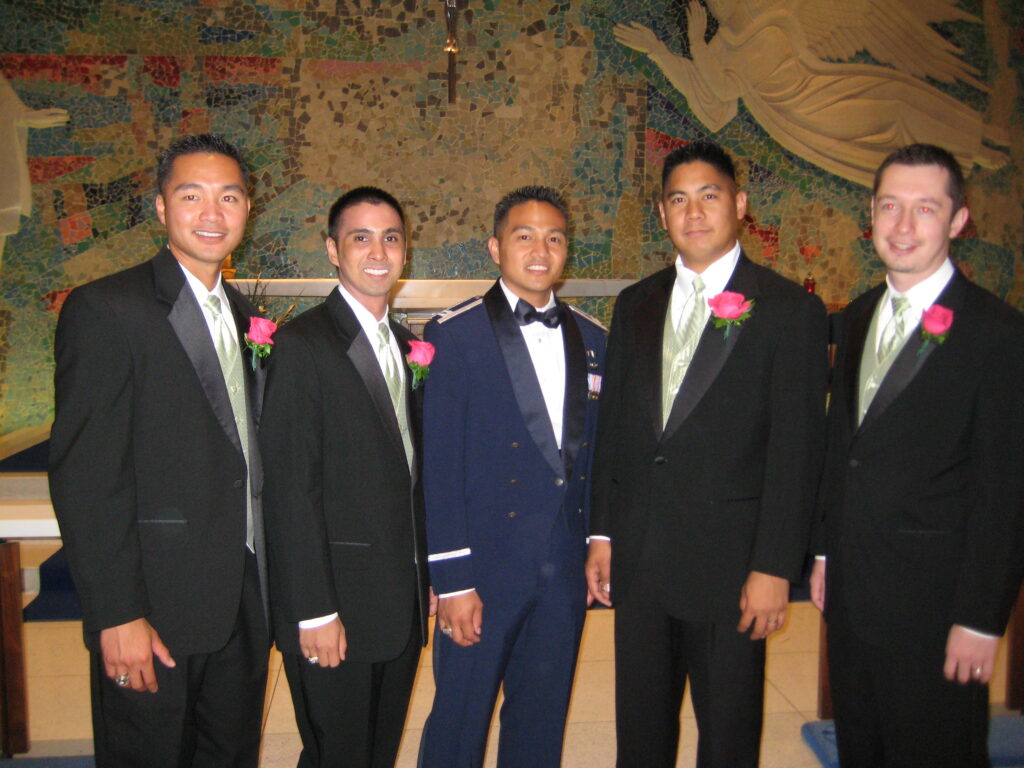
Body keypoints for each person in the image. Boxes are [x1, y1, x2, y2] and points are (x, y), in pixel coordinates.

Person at [586, 140, 828, 767]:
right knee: (640, 732)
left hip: (732, 567)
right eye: (678, 200)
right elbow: (615, 430)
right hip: (641, 558)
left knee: (727, 734)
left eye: (709, 196)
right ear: (662, 213)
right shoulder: (635, 304)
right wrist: (602, 533)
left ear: (739, 205)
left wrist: (774, 567)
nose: (693, 213)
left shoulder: (790, 310)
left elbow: (797, 453)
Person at [49, 133, 269, 766]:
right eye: (192, 195)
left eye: (229, 197)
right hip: (155, 604)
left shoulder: (248, 316)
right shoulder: (107, 309)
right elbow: (87, 475)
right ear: (161, 207)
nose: (212, 213)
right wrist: (116, 613)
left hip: (243, 597)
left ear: (247, 209)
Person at [810, 143, 1024, 767]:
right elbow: (842, 448)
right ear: (872, 213)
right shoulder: (856, 317)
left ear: (958, 220)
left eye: (925, 208)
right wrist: (824, 551)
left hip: (938, 607)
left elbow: (1007, 492)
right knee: (863, 747)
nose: (903, 225)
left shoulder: (997, 334)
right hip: (854, 593)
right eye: (890, 206)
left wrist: (981, 619)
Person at [418, 186, 607, 767]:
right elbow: (439, 466)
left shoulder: (594, 338)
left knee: (541, 720)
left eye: (554, 238)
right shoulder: (454, 334)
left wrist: (598, 540)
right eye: (524, 236)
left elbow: (597, 458)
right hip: (483, 568)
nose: (540, 250)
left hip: (562, 568)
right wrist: (452, 580)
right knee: (460, 719)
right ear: (496, 248)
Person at [259, 186, 431, 768]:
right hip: (335, 604)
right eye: (361, 238)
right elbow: (289, 488)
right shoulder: (302, 345)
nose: (378, 252)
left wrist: (425, 573)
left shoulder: (408, 345)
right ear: (333, 250)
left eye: (391, 238)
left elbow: (410, 475)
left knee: (377, 753)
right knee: (336, 754)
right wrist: (313, 609)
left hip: (399, 602)